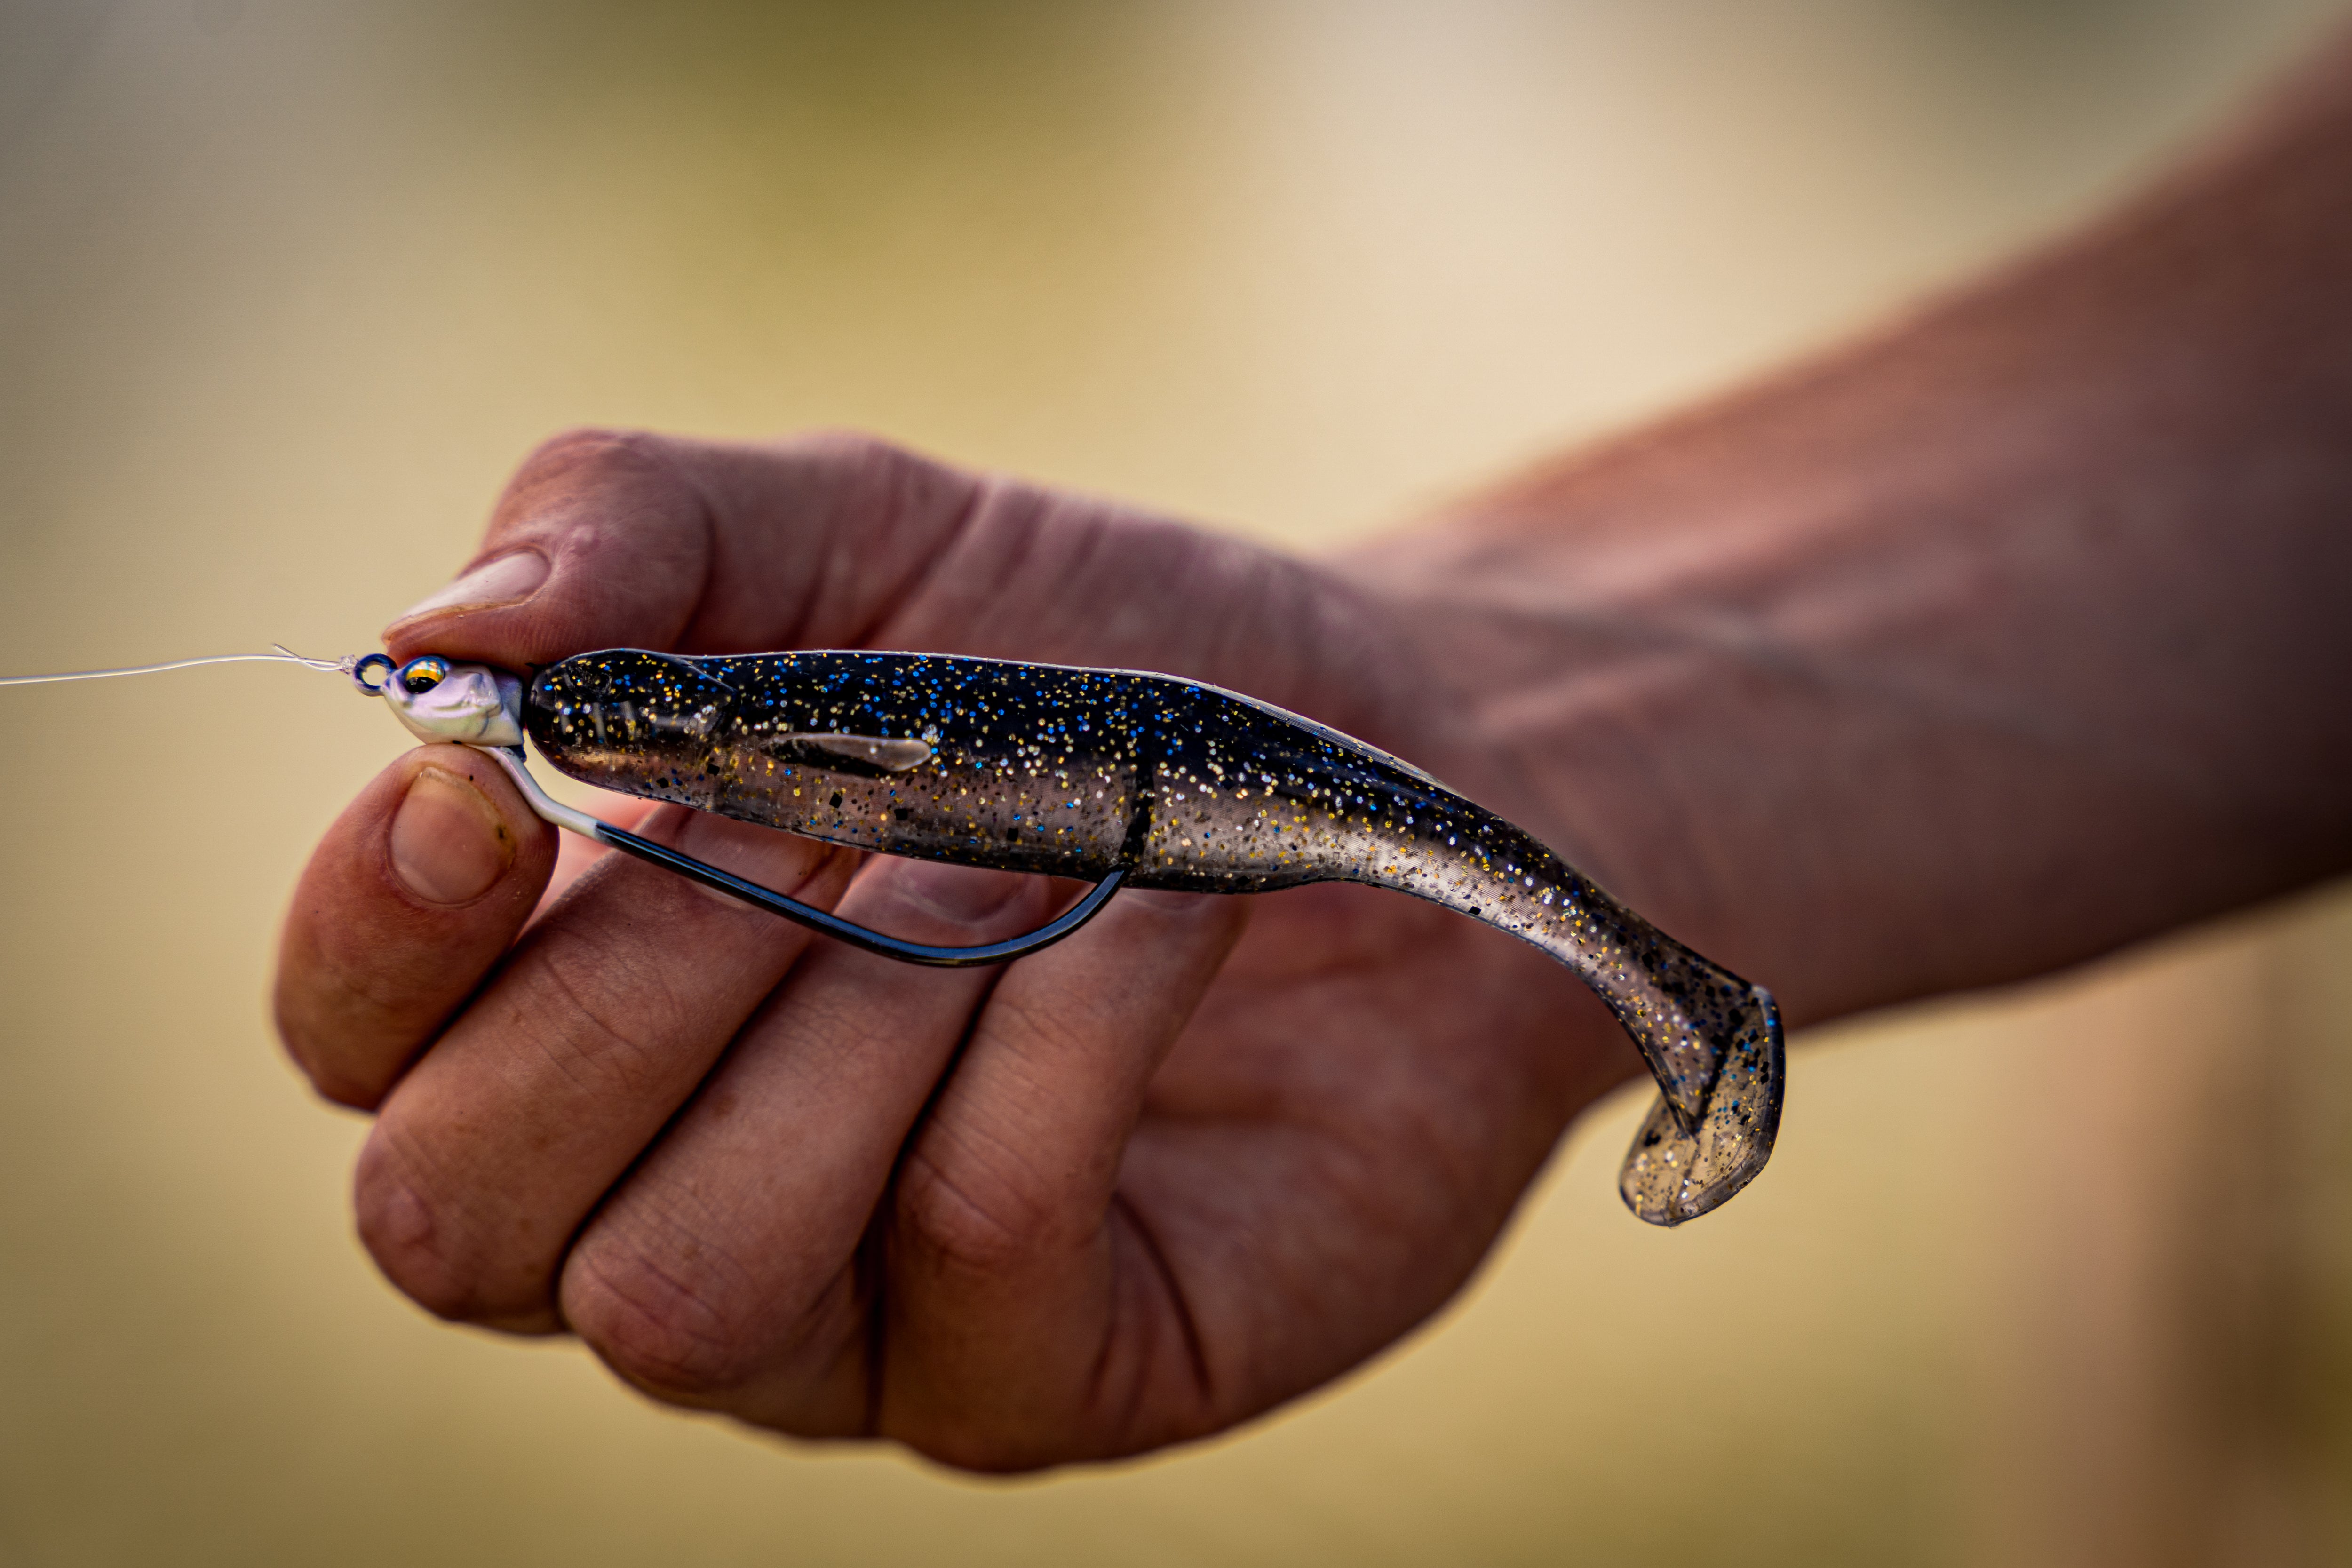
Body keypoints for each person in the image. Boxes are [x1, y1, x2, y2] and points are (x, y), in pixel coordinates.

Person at [271, 29, 2352, 1473]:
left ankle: (1687, 1008)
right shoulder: (666, 722)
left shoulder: (680, 722)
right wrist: (1499, 705)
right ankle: (1673, 995)